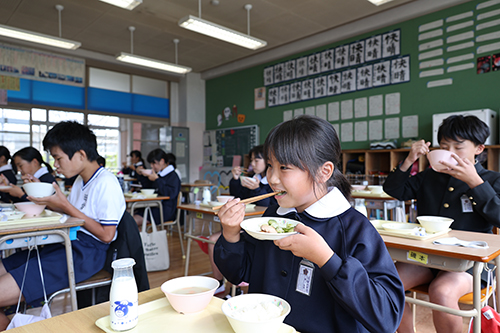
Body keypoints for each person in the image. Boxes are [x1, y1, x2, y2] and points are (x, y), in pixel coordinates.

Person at [214, 115, 405, 332]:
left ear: (324, 172)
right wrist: (230, 234)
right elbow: (240, 274)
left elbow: (387, 317)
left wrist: (326, 259)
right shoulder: (274, 217)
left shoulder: (355, 229)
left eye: (284, 167)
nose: (272, 179)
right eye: (270, 166)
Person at [0, 121, 126, 330]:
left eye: (58, 158)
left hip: (86, 255)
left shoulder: (106, 182)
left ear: (81, 155)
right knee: (6, 265)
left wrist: (66, 206)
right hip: (66, 244)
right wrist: (47, 199)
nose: (55, 165)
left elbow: (106, 235)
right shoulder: (79, 181)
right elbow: (72, 216)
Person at [383, 115, 500, 333]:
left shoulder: (492, 180)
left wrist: (475, 183)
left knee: (442, 291)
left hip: (469, 264)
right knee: (387, 283)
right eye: (445, 146)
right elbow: (394, 190)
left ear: (479, 148)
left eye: (458, 146)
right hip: (427, 257)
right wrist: (409, 160)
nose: (449, 152)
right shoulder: (430, 176)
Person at [209, 144, 277, 295]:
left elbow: (268, 207)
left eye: (257, 160)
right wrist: (235, 179)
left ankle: (237, 288)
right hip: (244, 223)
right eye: (251, 160)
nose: (252, 164)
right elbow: (238, 196)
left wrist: (257, 190)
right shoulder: (253, 178)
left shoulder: (272, 183)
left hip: (258, 227)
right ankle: (224, 283)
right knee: (221, 242)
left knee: (232, 246)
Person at [134, 149, 180, 227]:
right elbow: (148, 188)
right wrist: (141, 174)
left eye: (153, 163)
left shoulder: (173, 176)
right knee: (128, 215)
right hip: (153, 206)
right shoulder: (159, 174)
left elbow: (170, 194)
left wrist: (157, 180)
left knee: (132, 220)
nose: (152, 166)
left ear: (162, 161)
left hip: (164, 210)